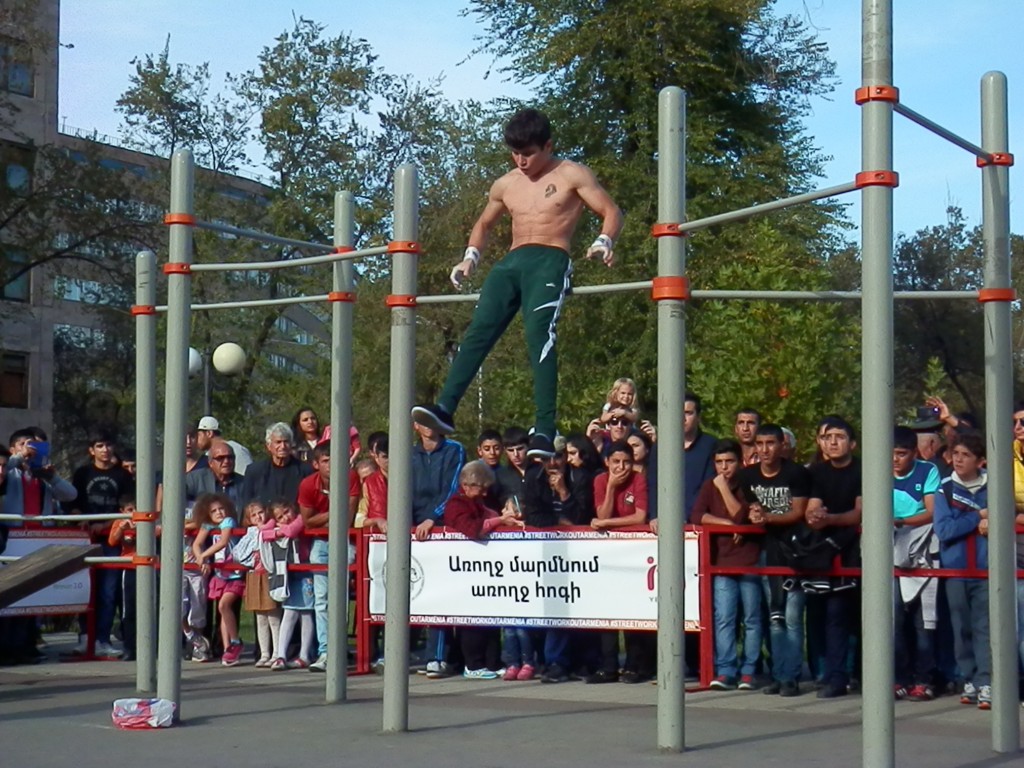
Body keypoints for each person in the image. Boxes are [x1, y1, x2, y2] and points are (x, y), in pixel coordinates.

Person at [412, 108, 624, 458]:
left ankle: (544, 429)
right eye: (515, 153)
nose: (521, 161)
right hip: (512, 261)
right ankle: (445, 408)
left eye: (528, 153)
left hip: (549, 258)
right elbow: (484, 224)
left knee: (539, 333)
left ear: (548, 145)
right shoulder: (506, 184)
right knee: (478, 330)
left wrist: (604, 241)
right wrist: (470, 258)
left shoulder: (571, 173)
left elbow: (611, 211)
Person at [740, 423, 810, 697]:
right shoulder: (748, 476)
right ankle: (778, 674)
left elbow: (797, 512)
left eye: (771, 443)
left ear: (782, 446)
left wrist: (767, 517)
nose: (765, 449)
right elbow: (750, 507)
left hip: (795, 551)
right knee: (775, 616)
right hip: (768, 552)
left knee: (793, 617)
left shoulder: (797, 474)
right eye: (760, 444)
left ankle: (791, 676)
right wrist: (755, 514)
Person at [0, 428, 76, 665]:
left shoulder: (41, 476)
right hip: (12, 538)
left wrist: (50, 476)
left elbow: (70, 494)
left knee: (30, 597)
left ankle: (26, 645)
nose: (30, 449)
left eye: (36, 446)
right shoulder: (7, 472)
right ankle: (7, 647)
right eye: (24, 444)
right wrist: (17, 459)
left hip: (37, 538)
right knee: (9, 596)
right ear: (13, 448)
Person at [443, 461, 525, 680]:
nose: (485, 492)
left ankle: (492, 662)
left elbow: (488, 515)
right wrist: (499, 520)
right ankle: (473, 664)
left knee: (490, 618)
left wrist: (508, 518)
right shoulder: (456, 504)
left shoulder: (477, 502)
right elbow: (473, 529)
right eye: (482, 487)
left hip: (483, 571)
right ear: (467, 485)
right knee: (472, 621)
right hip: (464, 570)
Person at [804, 417, 862, 699]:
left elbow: (858, 513)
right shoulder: (816, 472)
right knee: (830, 615)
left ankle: (862, 673)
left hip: (858, 549)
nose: (833, 442)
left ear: (852, 443)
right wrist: (815, 517)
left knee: (860, 617)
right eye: (828, 437)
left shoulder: (864, 468)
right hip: (825, 552)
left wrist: (830, 518)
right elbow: (811, 508)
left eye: (839, 437)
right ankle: (833, 675)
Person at [932, 431, 991, 709]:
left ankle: (986, 681)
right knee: (961, 627)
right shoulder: (944, 489)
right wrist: (977, 517)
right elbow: (944, 530)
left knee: (985, 626)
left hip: (986, 568)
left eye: (966, 455)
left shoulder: (993, 487)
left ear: (981, 461)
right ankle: (968, 677)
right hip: (955, 570)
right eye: (956, 454)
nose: (958, 459)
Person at [587, 441, 652, 683]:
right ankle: (609, 666)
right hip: (608, 553)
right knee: (607, 610)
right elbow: (602, 513)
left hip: (634, 552)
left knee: (634, 610)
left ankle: (637, 665)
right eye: (616, 462)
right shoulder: (601, 480)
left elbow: (639, 516)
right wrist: (611, 488)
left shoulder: (638, 479)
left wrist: (606, 524)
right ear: (607, 462)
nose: (622, 467)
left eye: (626, 461)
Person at [71, 429, 135, 658]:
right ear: (91, 450)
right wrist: (83, 519)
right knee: (85, 589)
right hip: (84, 539)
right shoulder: (82, 474)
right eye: (99, 446)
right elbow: (73, 503)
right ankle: (84, 637)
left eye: (108, 445)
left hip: (112, 538)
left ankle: (103, 639)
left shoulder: (123, 476)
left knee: (108, 591)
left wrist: (107, 523)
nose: (105, 450)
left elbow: (128, 508)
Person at [298, 440, 361, 672]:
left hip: (345, 542)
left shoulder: (351, 477)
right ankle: (326, 651)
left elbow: (348, 516)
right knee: (321, 598)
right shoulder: (307, 485)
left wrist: (325, 516)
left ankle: (338, 648)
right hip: (321, 543)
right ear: (316, 464)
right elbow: (307, 521)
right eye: (326, 461)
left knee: (340, 596)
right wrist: (334, 512)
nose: (331, 465)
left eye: (335, 459)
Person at [892, 425, 941, 702]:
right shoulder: (878, 470)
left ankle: (924, 680)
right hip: (889, 551)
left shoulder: (928, 471)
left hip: (922, 551)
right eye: (892, 454)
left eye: (901, 454)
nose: (895, 460)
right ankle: (899, 678)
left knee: (925, 622)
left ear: (914, 453)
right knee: (894, 619)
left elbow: (931, 512)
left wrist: (900, 521)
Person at [648, 391, 717, 533]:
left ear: (698, 417)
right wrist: (655, 515)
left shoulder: (711, 445)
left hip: (699, 524)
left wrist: (686, 516)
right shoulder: (661, 447)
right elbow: (653, 483)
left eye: (688, 413)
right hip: (663, 525)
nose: (682, 418)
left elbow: (708, 486)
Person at [191, 493, 245, 666]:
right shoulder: (208, 525)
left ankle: (235, 642)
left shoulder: (228, 522)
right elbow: (196, 544)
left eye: (221, 508)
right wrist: (202, 558)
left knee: (224, 605)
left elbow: (223, 541)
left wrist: (204, 555)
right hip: (221, 574)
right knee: (223, 611)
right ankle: (227, 647)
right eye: (214, 511)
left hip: (234, 571)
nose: (219, 512)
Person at [262, 499, 315, 670]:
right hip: (290, 574)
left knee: (306, 612)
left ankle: (303, 655)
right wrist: (273, 524)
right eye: (280, 517)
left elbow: (292, 531)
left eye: (286, 512)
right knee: (290, 611)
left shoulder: (300, 518)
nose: (285, 517)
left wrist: (277, 529)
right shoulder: (278, 524)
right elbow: (263, 533)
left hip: (306, 571)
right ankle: (281, 655)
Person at [241, 423, 313, 508]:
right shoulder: (254, 471)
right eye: (278, 442)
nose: (282, 446)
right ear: (269, 446)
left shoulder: (306, 471)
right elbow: (247, 506)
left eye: (286, 442)